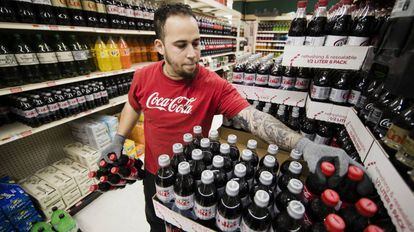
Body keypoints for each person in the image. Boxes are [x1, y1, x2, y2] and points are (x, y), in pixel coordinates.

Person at [100, 3, 373, 232]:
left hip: (197, 176)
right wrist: (119, 137)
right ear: (159, 46)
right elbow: (133, 105)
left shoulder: (213, 84)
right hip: (154, 171)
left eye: (196, 43)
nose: (193, 54)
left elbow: (252, 117)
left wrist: (305, 146)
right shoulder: (143, 77)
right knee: (157, 221)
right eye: (180, 45)